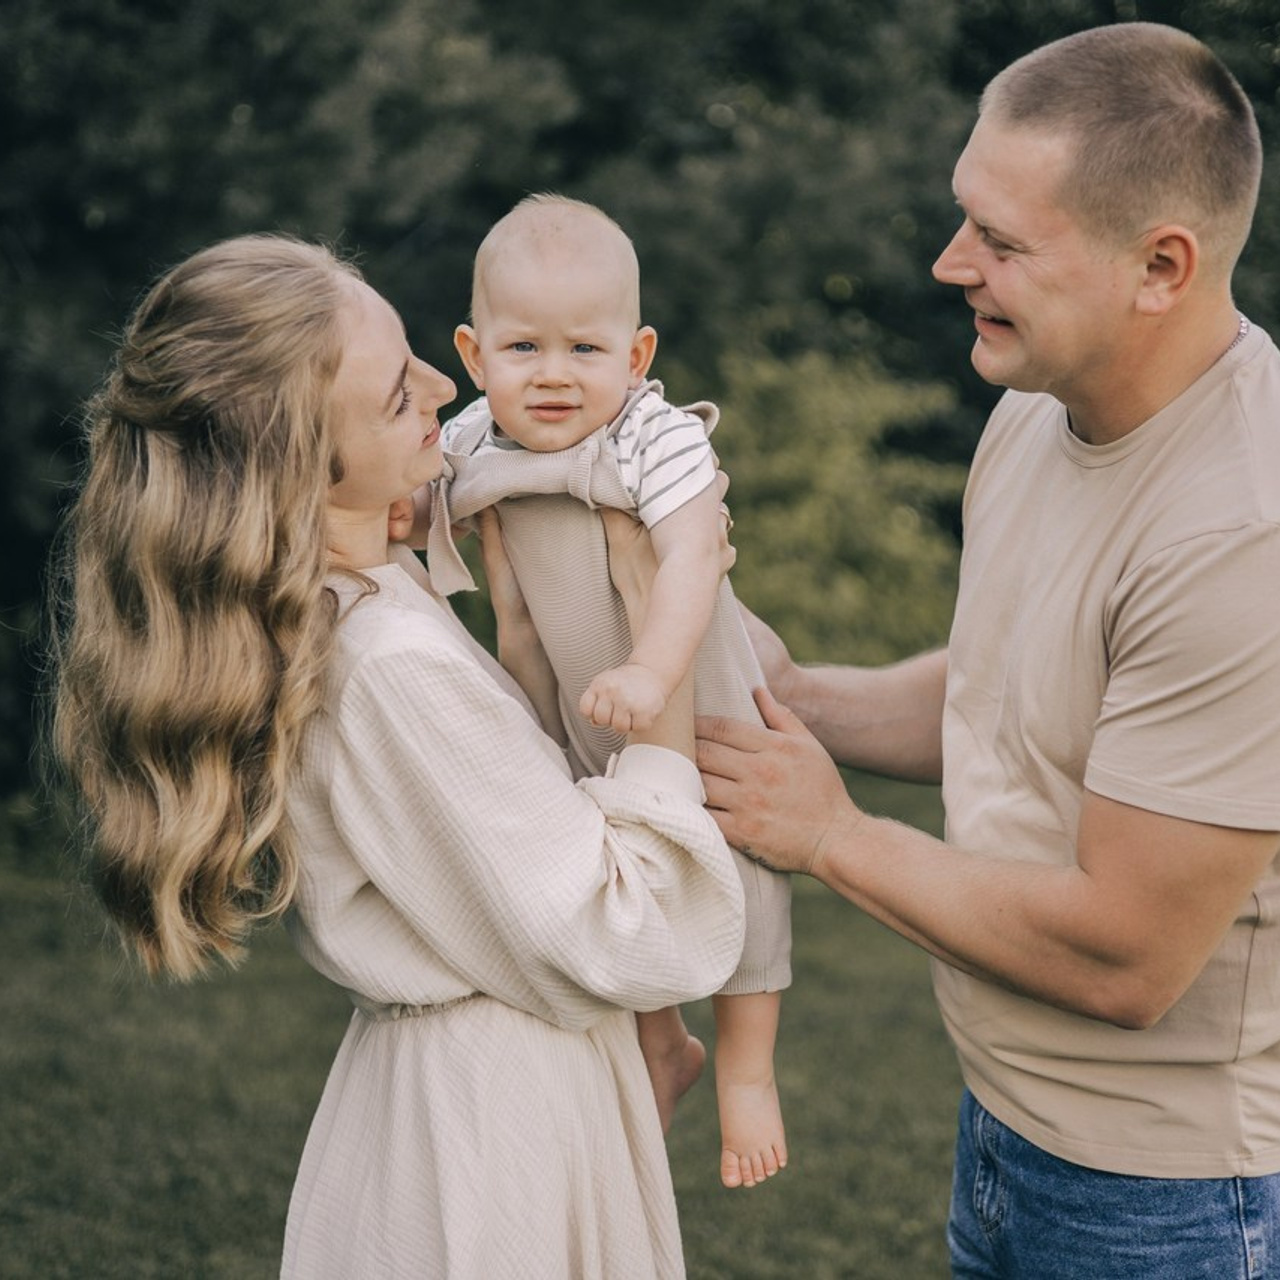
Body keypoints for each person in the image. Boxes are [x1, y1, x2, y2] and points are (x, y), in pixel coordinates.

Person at [47, 232, 749, 1279]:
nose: (437, 382)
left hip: (467, 1087)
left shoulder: (348, 605)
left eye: (414, 354)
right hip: (496, 1132)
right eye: (391, 397)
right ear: (300, 459)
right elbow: (627, 932)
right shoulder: (385, 662)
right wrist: (659, 653)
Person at [696, 21, 1280, 1279]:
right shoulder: (1032, 409)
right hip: (1006, 1129)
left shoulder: (1244, 535)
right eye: (966, 217)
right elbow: (1004, 692)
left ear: (1159, 266)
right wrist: (795, 697)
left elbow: (1124, 954)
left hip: (1173, 1197)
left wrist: (829, 833)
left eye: (1002, 243)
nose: (947, 261)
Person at [421, 194, 791, 1190]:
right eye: (522, 347)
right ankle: (662, 1036)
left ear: (634, 355)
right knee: (608, 861)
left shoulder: (652, 434)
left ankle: (745, 1069)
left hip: (689, 692)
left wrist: (650, 668)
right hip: (572, 704)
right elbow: (407, 511)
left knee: (736, 853)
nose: (551, 374)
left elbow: (685, 557)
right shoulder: (467, 441)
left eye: (583, 348)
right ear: (471, 351)